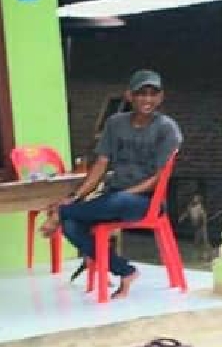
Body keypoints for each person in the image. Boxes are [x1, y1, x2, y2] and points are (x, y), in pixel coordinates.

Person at [43, 68, 181, 298]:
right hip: (113, 197)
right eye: (141, 93)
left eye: (152, 93)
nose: (147, 99)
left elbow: (157, 178)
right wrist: (78, 196)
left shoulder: (167, 129)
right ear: (129, 96)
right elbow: (100, 165)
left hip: (146, 201)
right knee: (72, 226)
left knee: (110, 202)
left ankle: (61, 212)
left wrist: (65, 208)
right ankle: (125, 271)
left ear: (160, 97)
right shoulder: (115, 124)